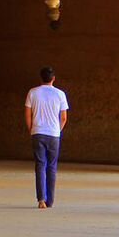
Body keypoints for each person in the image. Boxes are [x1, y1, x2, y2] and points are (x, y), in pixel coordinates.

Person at [24, 66, 69, 209]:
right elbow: (63, 118)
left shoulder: (33, 92)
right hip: (54, 134)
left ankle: (41, 200)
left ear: (40, 78)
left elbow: (28, 114)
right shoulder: (60, 94)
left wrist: (32, 129)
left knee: (40, 165)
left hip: (38, 133)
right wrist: (57, 131)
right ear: (53, 78)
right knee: (52, 167)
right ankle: (51, 201)